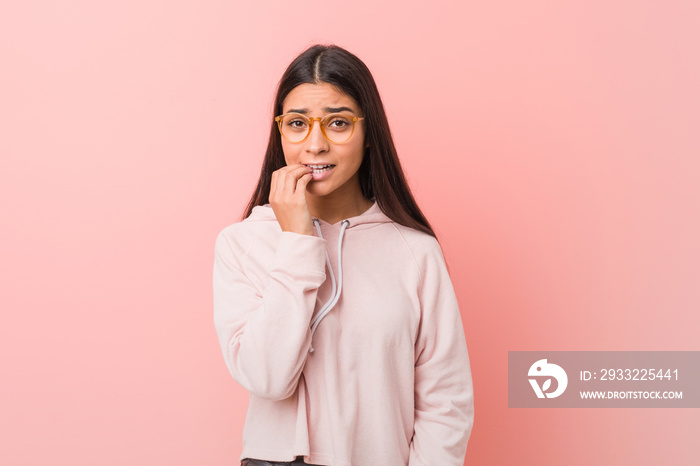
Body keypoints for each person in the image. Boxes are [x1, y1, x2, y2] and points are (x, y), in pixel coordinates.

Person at [213, 44, 474, 466]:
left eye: (338, 123)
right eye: (297, 123)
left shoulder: (417, 253)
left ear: (369, 134)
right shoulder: (241, 243)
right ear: (279, 133)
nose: (315, 145)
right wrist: (297, 239)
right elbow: (267, 378)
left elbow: (446, 401)